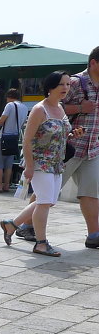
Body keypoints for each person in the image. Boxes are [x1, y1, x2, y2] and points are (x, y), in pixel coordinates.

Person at [0, 71, 76, 257]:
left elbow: (60, 134)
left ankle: (12, 224)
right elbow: (27, 140)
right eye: (61, 84)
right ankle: (41, 243)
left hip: (56, 162)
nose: (65, 88)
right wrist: (30, 166)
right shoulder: (39, 110)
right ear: (50, 87)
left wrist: (73, 135)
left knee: (48, 201)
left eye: (68, 84)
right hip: (40, 162)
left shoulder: (60, 108)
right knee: (44, 201)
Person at [62, 45, 99, 249]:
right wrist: (79, 108)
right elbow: (51, 107)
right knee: (50, 191)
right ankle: (26, 225)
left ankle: (94, 234)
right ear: (93, 63)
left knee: (91, 192)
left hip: (93, 147)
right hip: (69, 146)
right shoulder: (75, 82)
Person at [0, 88, 27, 193]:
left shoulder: (9, 105)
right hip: (15, 137)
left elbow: (0, 122)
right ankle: (6, 185)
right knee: (8, 164)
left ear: (8, 97)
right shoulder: (24, 107)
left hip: (4, 137)